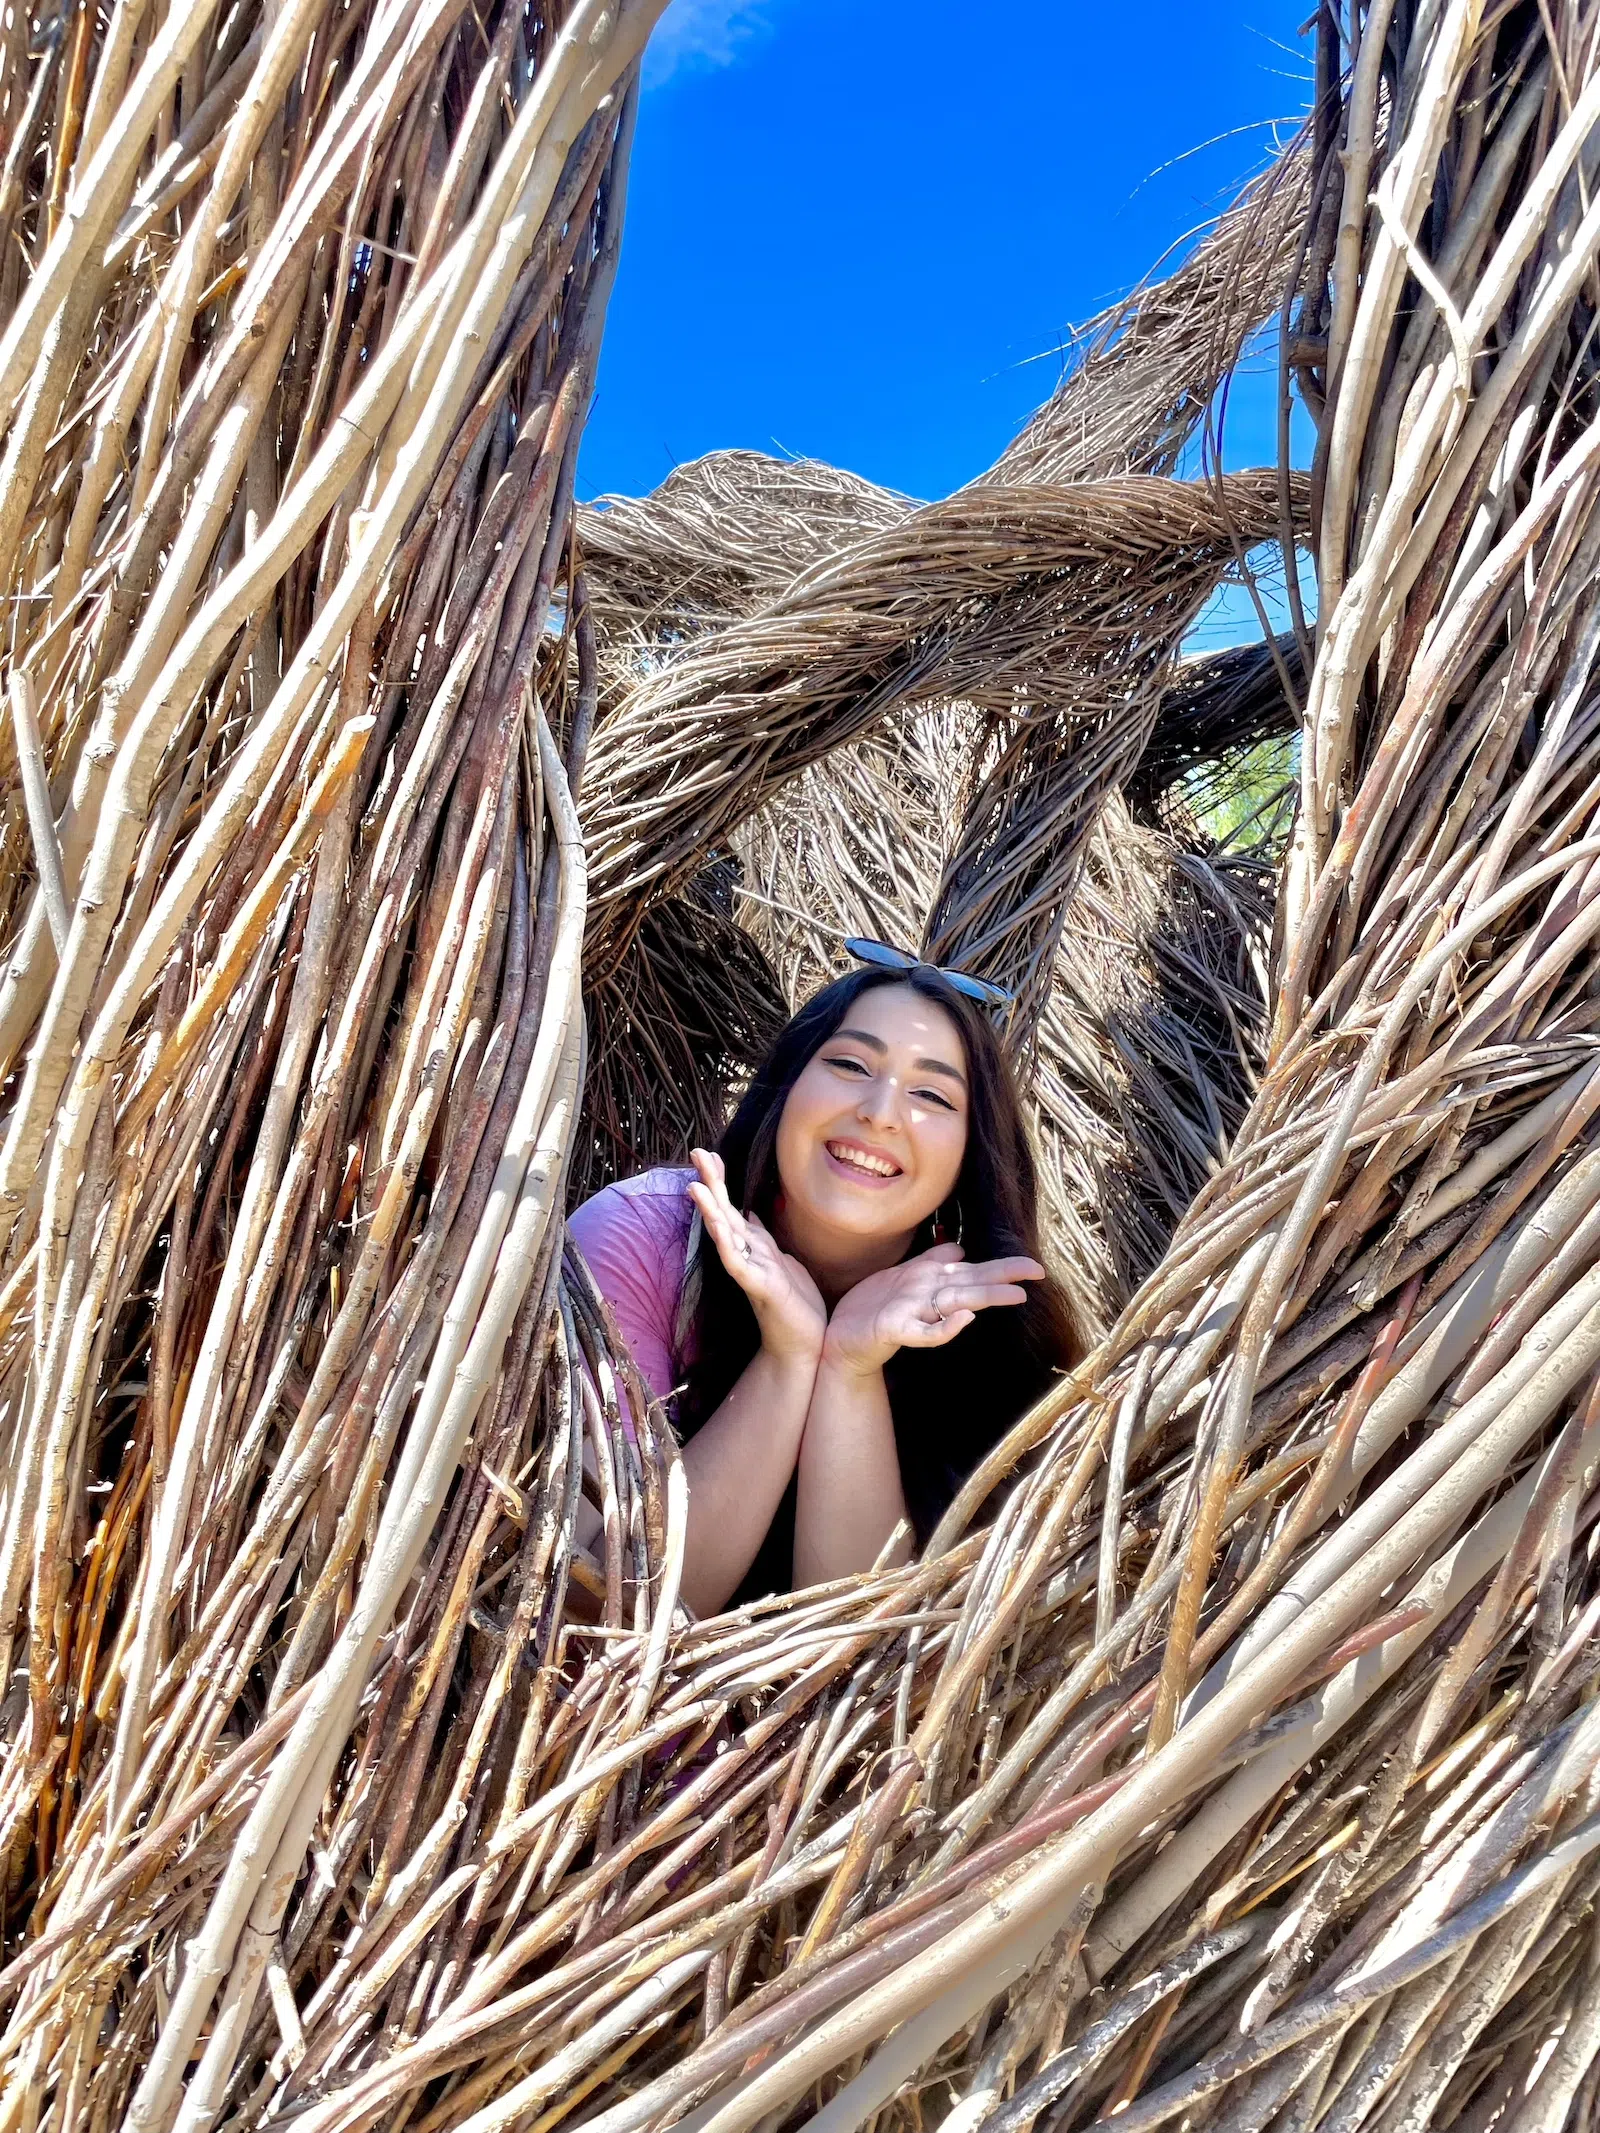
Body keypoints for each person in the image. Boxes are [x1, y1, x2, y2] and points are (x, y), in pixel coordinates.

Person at [568, 945, 1082, 1617]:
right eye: (849, 1064)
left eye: (931, 1094)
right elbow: (613, 1606)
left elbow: (860, 1660)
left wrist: (848, 1365)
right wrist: (788, 1357)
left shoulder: (983, 1330)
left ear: (969, 1157)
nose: (880, 1111)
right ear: (785, 1085)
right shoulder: (647, 1238)